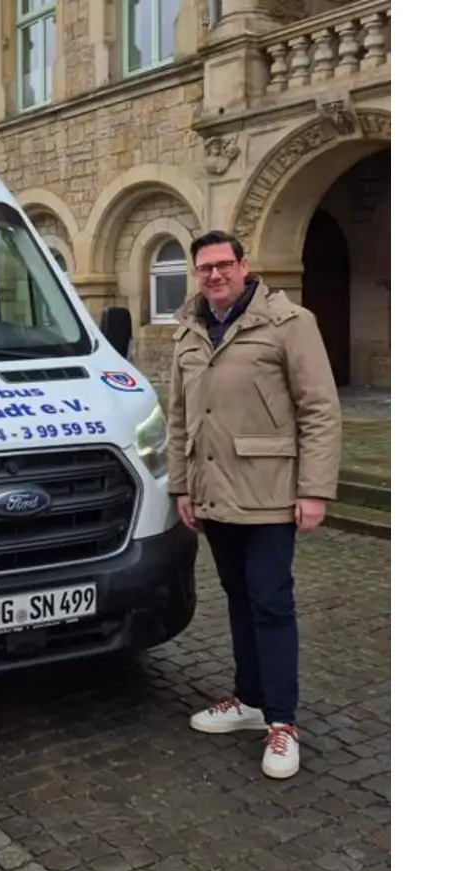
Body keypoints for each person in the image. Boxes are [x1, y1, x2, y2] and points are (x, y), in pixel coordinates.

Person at [166, 230, 342, 780]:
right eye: (204, 268)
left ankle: (283, 721)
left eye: (223, 264)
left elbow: (319, 409)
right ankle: (248, 700)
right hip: (213, 491)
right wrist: (181, 487)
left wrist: (314, 489)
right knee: (238, 597)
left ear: (244, 266)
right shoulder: (189, 332)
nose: (214, 275)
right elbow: (178, 417)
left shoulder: (289, 323)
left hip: (270, 493)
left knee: (271, 601)